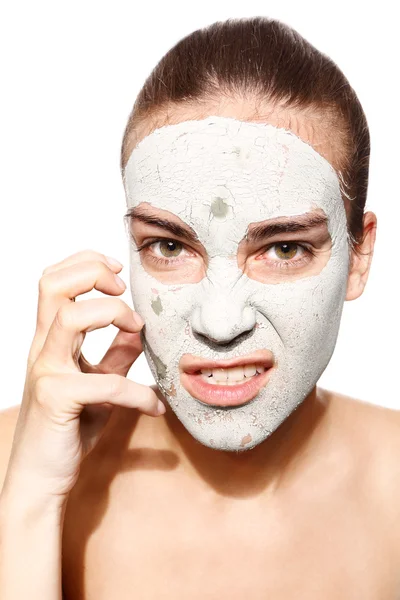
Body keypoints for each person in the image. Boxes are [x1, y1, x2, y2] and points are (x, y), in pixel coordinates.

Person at [0, 15, 399, 600]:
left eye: (284, 248)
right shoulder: (15, 466)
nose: (219, 323)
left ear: (358, 257)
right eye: (169, 246)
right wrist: (30, 501)